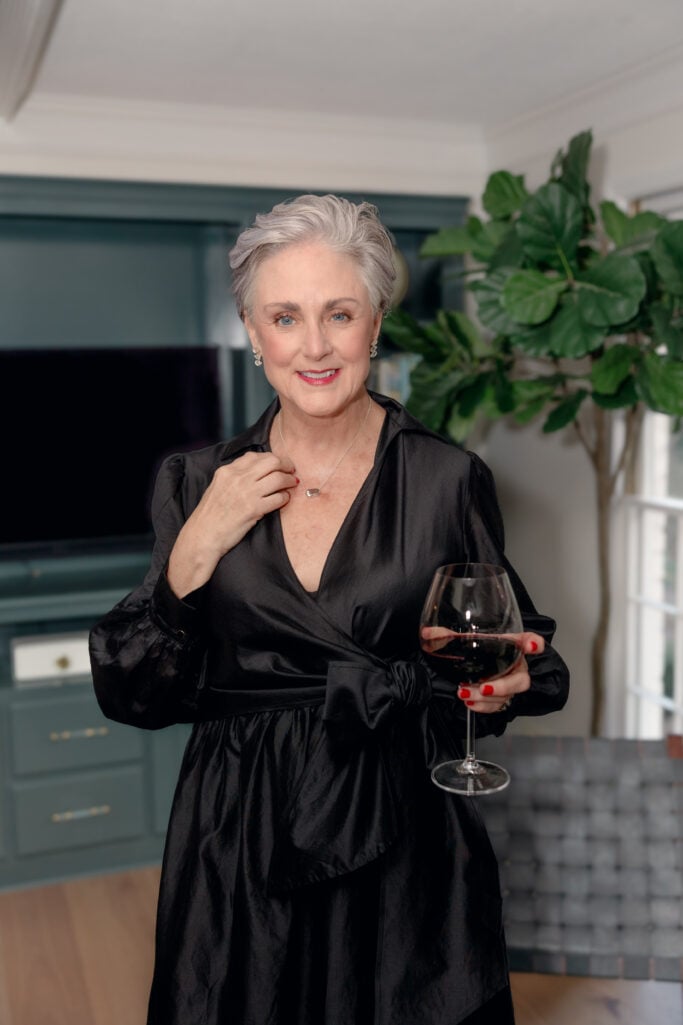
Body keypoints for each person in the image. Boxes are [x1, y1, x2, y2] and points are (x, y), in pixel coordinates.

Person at [89, 194, 569, 1025]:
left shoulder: (446, 479)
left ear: (373, 323)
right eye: (285, 315)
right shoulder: (194, 482)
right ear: (251, 328)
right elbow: (135, 691)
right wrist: (194, 549)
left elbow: (504, 651)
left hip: (404, 821)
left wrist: (502, 684)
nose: (313, 345)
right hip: (239, 832)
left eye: (338, 313)